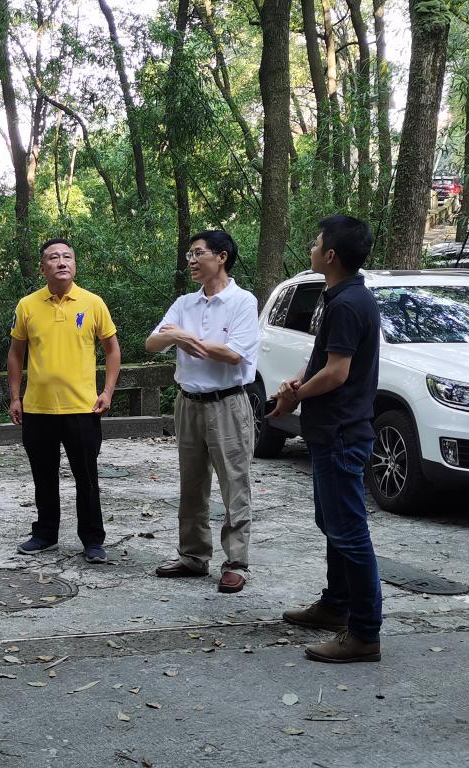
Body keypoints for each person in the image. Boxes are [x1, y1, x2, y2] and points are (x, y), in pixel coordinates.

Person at [269, 215, 383, 663]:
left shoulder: (349, 303)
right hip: (331, 430)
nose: (311, 249)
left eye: (316, 243)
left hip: (340, 432)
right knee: (333, 524)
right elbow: (323, 360)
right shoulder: (340, 297)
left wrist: (295, 396)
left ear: (331, 255)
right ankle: (336, 606)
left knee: (350, 533)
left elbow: (337, 373)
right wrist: (296, 382)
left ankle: (364, 633)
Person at [144, 230, 260, 593]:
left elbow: (234, 354)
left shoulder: (242, 301)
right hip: (188, 403)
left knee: (234, 483)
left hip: (228, 403)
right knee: (191, 484)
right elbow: (152, 343)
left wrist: (184, 337)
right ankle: (193, 556)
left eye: (198, 253)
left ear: (221, 257)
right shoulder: (184, 304)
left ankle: (236, 562)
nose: (192, 261)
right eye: (189, 255)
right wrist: (176, 336)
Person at [7, 237, 121, 564]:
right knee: (43, 476)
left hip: (83, 407)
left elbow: (112, 350)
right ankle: (45, 534)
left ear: (75, 264)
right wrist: (15, 396)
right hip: (38, 408)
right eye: (53, 257)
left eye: (67, 257)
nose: (61, 262)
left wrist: (107, 391)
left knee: (87, 478)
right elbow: (15, 354)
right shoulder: (27, 305)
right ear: (42, 267)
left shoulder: (93, 303)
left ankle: (93, 540)